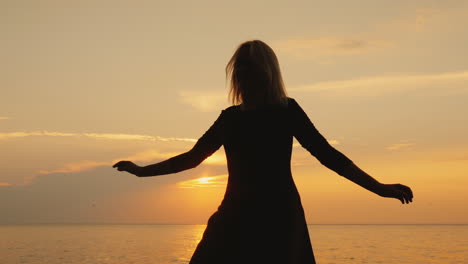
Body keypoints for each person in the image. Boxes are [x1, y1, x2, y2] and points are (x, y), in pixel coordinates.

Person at [113, 40, 413, 264]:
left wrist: (379, 188)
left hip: (280, 216)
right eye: (239, 65)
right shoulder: (229, 118)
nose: (243, 71)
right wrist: (141, 171)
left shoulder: (287, 110)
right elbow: (192, 159)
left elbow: (328, 155)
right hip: (235, 214)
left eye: (250, 65)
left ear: (267, 72)